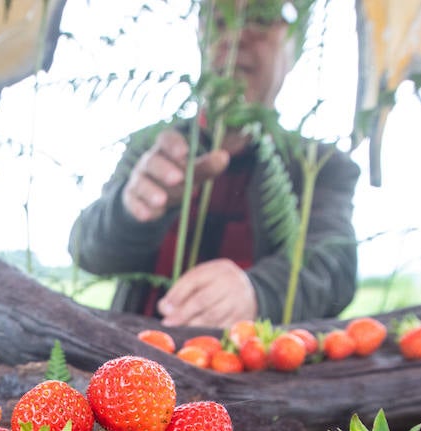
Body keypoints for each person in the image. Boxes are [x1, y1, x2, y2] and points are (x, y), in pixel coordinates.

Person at [68, 5, 359, 328]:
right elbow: (87, 250)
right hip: (136, 354)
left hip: (249, 358)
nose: (235, 37)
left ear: (293, 46)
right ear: (201, 39)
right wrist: (129, 211)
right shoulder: (153, 148)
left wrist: (259, 292)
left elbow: (335, 268)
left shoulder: (320, 166)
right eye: (221, 22)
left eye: (260, 20)